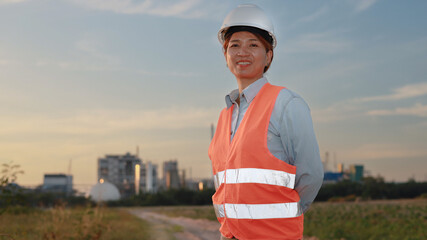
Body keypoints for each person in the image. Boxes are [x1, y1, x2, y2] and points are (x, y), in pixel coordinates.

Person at [208, 4, 324, 240]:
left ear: (268, 55)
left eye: (253, 45)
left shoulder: (286, 104)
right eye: (234, 46)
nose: (242, 52)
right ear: (225, 55)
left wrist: (281, 213)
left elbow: (310, 175)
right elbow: (224, 183)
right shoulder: (225, 116)